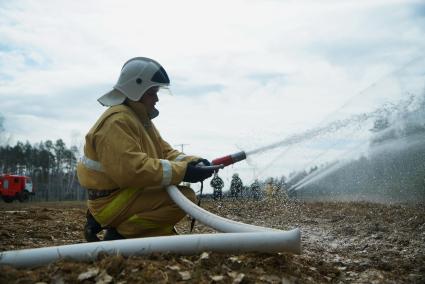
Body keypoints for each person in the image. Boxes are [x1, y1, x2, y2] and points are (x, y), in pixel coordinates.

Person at [77, 57, 215, 241]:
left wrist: (193, 162)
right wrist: (184, 172)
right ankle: (122, 234)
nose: (157, 98)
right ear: (136, 91)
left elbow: (164, 152)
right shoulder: (116, 123)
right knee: (183, 200)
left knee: (182, 196)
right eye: (152, 93)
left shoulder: (138, 119)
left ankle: (128, 229)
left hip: (123, 195)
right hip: (111, 202)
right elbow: (133, 170)